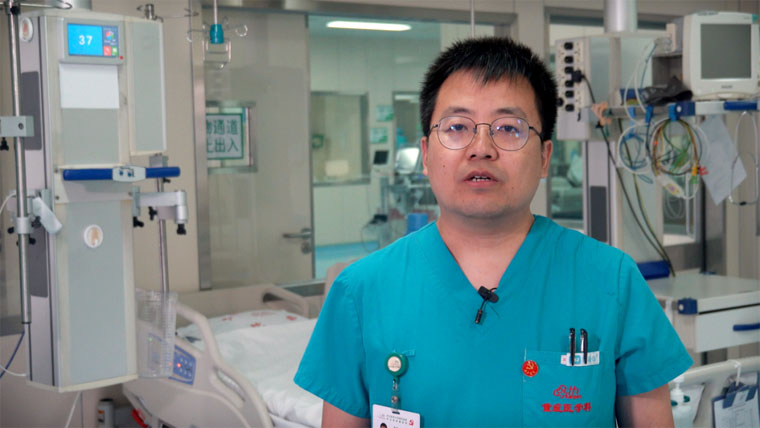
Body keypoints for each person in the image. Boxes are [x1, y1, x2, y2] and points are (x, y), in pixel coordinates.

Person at [295, 36, 692, 427]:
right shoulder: (361, 292)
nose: (481, 147)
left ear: (545, 157)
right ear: (426, 155)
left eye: (508, 128)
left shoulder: (611, 281)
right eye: (456, 126)